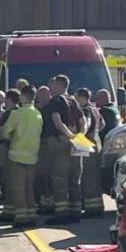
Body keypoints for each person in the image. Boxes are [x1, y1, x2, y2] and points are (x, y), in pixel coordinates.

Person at [0, 86, 43, 228]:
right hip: (32, 156)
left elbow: (5, 132)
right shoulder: (38, 114)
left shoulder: (17, 114)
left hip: (16, 156)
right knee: (29, 188)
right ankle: (31, 216)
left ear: (23, 97)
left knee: (18, 188)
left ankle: (21, 218)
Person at [46, 75, 85, 225]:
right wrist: (79, 136)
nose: (51, 88)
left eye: (54, 85)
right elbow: (83, 121)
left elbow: (57, 121)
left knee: (59, 179)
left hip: (60, 142)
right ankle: (76, 212)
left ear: (61, 86)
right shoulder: (74, 101)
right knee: (75, 180)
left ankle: (61, 213)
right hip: (78, 143)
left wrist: (69, 135)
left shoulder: (55, 101)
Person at [76, 88, 104, 218]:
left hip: (87, 144)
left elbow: (86, 124)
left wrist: (79, 135)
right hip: (96, 144)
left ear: (82, 98)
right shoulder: (95, 109)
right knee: (95, 177)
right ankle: (97, 205)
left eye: (77, 98)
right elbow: (102, 125)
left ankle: (92, 209)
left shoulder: (86, 110)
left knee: (88, 177)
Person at [0, 90, 19, 223]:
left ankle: (9, 212)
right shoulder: (19, 112)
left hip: (7, 148)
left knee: (8, 180)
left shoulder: (10, 113)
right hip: (17, 149)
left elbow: (4, 132)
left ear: (8, 100)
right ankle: (9, 210)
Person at [95, 89, 121, 194]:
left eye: (97, 99)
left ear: (103, 99)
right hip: (113, 145)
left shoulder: (105, 111)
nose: (95, 101)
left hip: (105, 145)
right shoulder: (115, 109)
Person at [35, 85, 55, 214]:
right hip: (41, 145)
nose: (41, 98)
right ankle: (45, 202)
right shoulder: (38, 110)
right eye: (39, 96)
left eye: (43, 95)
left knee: (46, 176)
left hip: (46, 144)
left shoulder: (49, 110)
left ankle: (48, 204)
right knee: (42, 177)